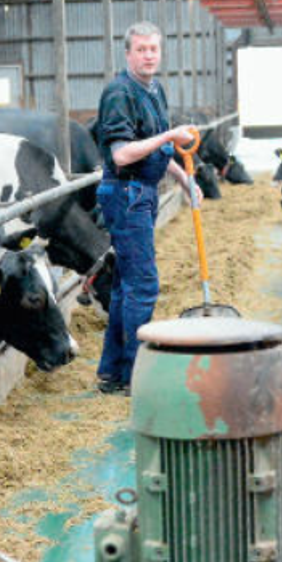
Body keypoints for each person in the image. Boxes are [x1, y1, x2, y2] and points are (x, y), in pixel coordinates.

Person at [93, 21, 203, 395]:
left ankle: (112, 372)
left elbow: (158, 148)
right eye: (141, 49)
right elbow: (122, 153)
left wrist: (185, 179)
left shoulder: (154, 89)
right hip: (126, 194)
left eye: (153, 49)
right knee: (144, 285)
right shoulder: (119, 92)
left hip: (143, 193)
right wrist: (171, 135)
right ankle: (135, 376)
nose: (148, 55)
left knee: (126, 286)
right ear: (128, 54)